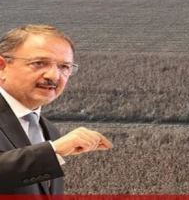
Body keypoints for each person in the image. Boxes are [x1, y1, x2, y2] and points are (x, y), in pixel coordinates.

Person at [0, 24, 113, 194]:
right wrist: (53, 151)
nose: (53, 76)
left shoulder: (50, 131)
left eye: (64, 67)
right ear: (2, 66)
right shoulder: (54, 145)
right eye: (38, 63)